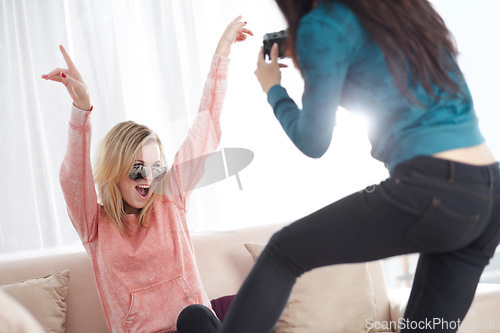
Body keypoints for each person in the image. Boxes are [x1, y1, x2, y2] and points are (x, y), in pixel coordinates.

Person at [220, 1, 500, 332]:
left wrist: (273, 88)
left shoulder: (321, 23)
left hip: (433, 186)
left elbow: (313, 141)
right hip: (489, 195)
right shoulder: (405, 10)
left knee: (283, 253)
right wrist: (315, 59)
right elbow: (389, 85)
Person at [42, 17, 253, 333]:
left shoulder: (171, 199)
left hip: (195, 328)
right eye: (138, 169)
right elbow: (74, 178)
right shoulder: (95, 227)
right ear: (115, 173)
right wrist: (81, 109)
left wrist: (221, 55)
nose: (149, 178)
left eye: (157, 168)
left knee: (194, 315)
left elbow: (205, 127)